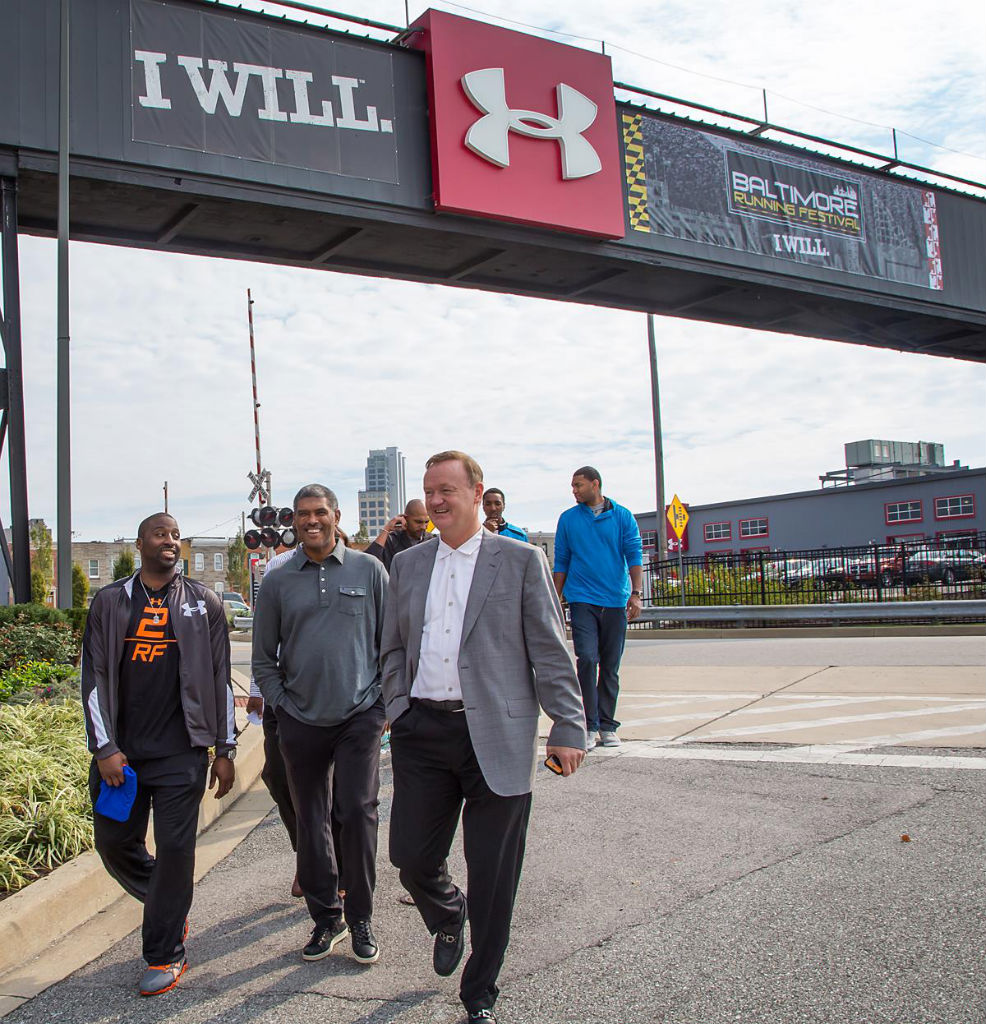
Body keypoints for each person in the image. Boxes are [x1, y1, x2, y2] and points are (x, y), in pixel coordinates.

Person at [381, 451, 586, 1024]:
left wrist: (567, 727)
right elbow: (393, 644)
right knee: (411, 858)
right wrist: (398, 705)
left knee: (494, 874)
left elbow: (550, 648)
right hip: (422, 729)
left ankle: (480, 993)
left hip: (495, 731)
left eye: (447, 489)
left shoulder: (519, 561)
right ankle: (449, 915)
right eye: (429, 491)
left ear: (476, 493)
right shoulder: (409, 564)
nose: (437, 500)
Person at [81, 512, 236, 997]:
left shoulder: (204, 602)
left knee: (175, 851)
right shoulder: (110, 602)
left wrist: (224, 748)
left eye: (174, 535)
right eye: (159, 534)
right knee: (115, 844)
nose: (169, 541)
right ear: (141, 543)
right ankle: (167, 904)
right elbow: (94, 680)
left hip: (181, 755)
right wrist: (105, 747)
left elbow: (220, 680)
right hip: (121, 758)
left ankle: (164, 952)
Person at [252, 486, 387, 966]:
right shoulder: (278, 580)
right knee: (311, 821)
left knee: (357, 810)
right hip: (300, 719)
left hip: (360, 714)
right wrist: (284, 706)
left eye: (320, 513)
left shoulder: (369, 570)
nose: (312, 521)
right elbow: (264, 659)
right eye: (303, 514)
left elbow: (388, 643)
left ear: (336, 516)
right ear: (295, 520)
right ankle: (326, 918)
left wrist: (383, 705)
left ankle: (362, 915)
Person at [553, 466, 643, 749]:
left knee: (610, 666)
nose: (574, 490)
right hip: (581, 599)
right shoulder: (568, 519)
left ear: (595, 484)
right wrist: (555, 596)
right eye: (572, 486)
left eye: (578, 485)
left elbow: (634, 554)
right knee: (587, 659)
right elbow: (562, 559)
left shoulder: (622, 516)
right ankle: (589, 725)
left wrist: (636, 594)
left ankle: (607, 725)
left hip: (615, 600)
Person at [366, 498, 432, 570]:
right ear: (405, 519)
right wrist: (387, 529)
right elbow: (367, 563)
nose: (423, 527)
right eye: (418, 522)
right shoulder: (391, 541)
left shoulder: (432, 541)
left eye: (426, 522)